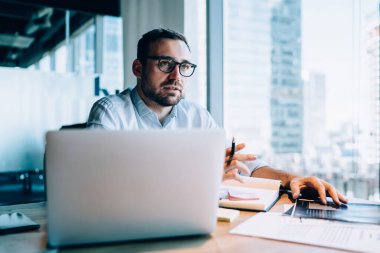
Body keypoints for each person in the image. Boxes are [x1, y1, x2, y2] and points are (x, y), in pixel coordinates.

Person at [87, 28, 347, 205]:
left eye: (184, 67)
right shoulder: (110, 113)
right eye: (165, 64)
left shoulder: (196, 116)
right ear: (138, 68)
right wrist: (202, 177)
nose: (176, 76)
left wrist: (291, 179)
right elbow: (102, 188)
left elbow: (240, 166)